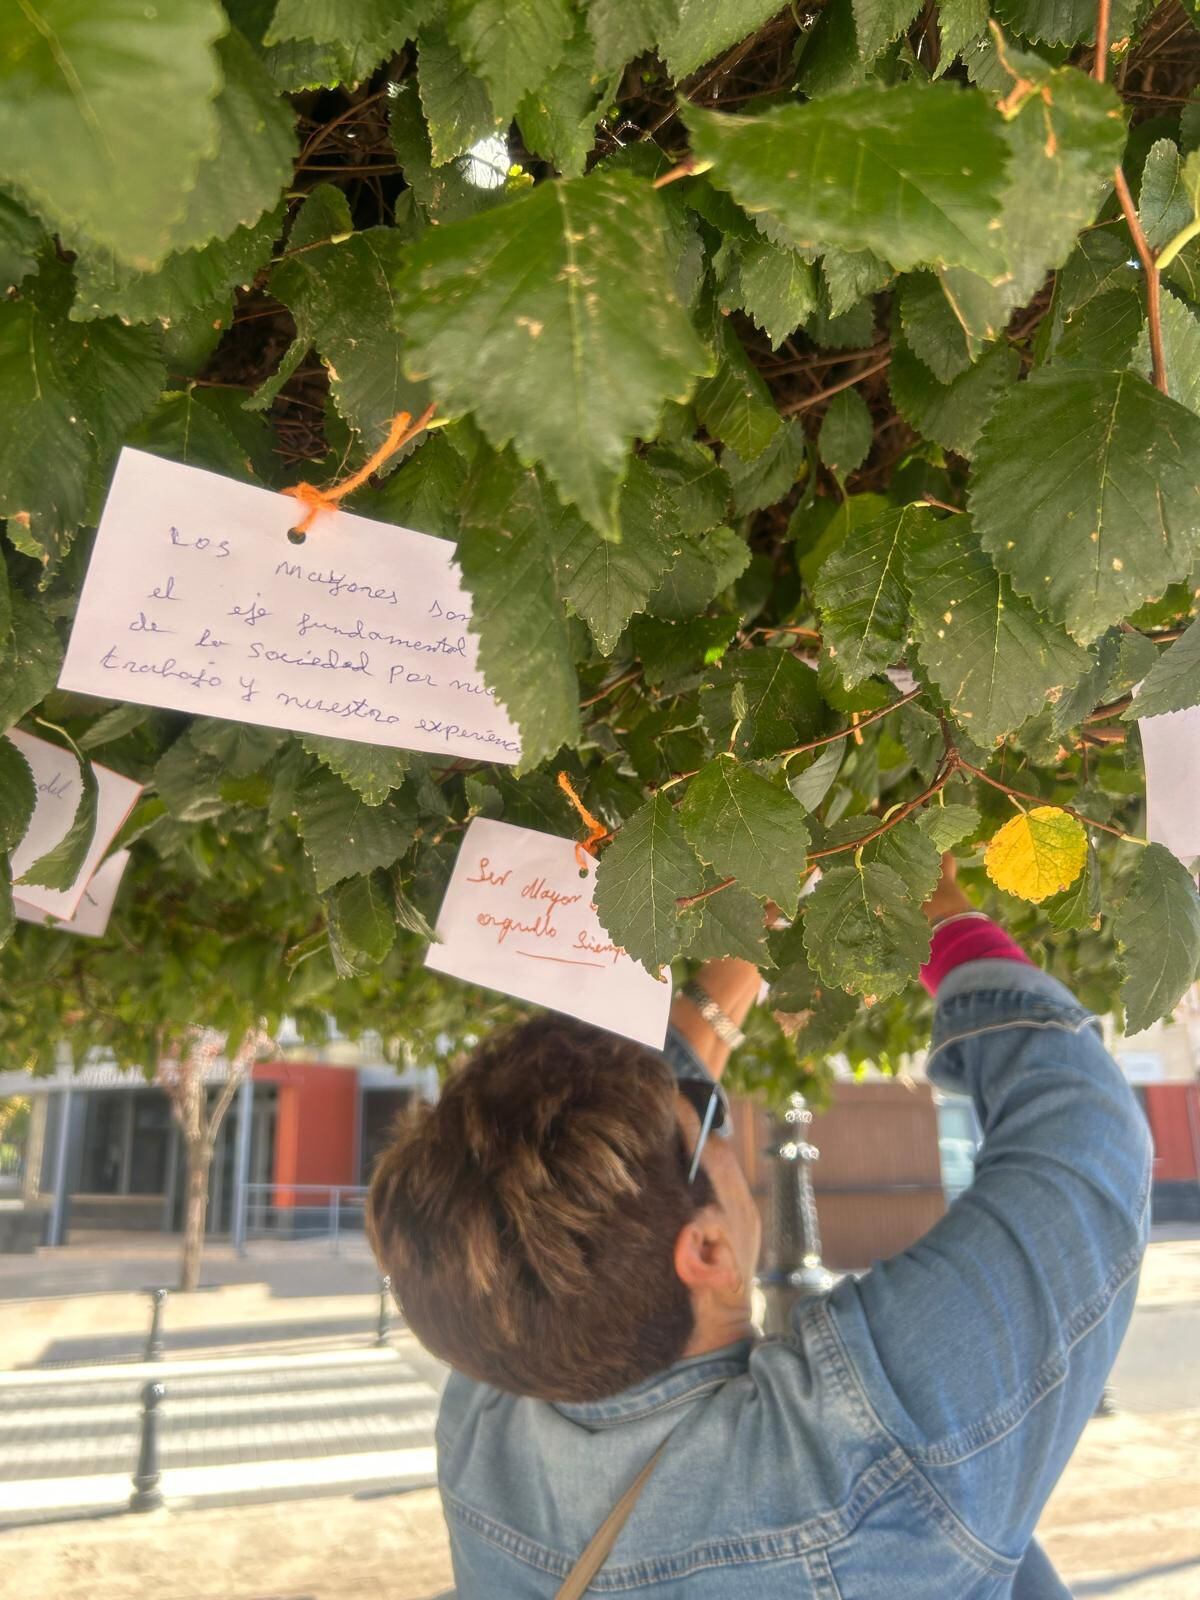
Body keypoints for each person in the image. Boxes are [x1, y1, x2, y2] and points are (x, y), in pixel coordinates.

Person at [367, 856, 1151, 1597]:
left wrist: (745, 947)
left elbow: (638, 1141)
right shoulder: (862, 1442)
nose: (712, 1109)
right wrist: (939, 918)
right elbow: (1082, 1141)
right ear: (705, 1250)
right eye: (704, 1121)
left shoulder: (492, 1390)